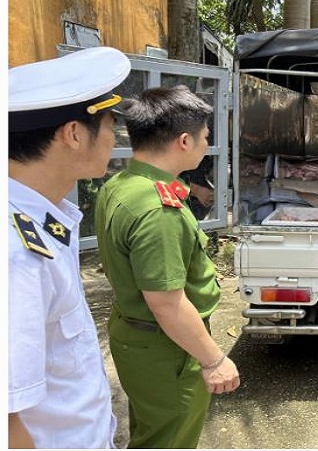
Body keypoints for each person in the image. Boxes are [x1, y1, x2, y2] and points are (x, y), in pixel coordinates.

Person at [94, 86, 240, 448]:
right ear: (184, 141)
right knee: (169, 439)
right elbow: (167, 303)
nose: (208, 144)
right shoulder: (159, 211)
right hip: (167, 346)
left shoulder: (123, 184)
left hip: (139, 337)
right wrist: (213, 359)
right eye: (206, 137)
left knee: (152, 432)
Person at [8, 47, 131, 448]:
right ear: (74, 134)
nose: (115, 138)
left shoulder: (43, 217)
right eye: (111, 124)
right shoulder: (14, 253)